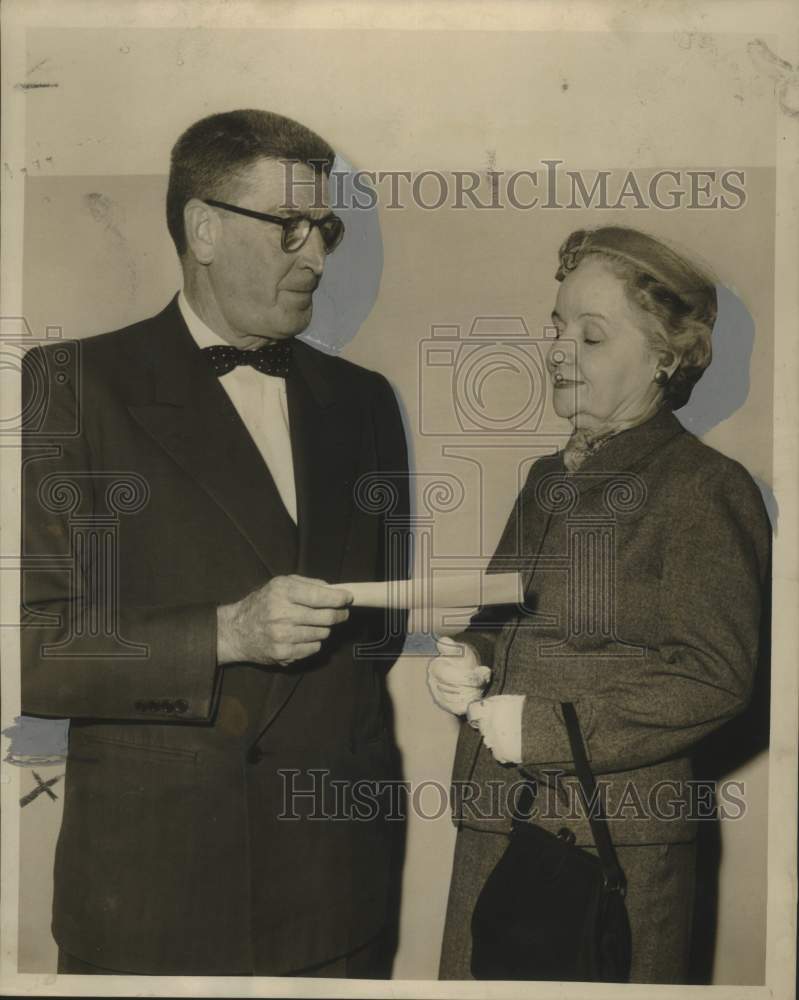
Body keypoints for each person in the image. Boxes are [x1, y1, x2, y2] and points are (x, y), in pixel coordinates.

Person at [20, 109, 409, 977]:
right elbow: (34, 652)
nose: (316, 256)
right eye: (290, 229)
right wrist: (226, 634)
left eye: (325, 229)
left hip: (334, 889)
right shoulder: (73, 386)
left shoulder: (365, 402)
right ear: (202, 228)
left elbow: (371, 642)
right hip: (154, 896)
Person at [428, 226, 771, 983]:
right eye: (556, 326)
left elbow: (716, 674)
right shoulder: (546, 477)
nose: (557, 350)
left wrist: (546, 727)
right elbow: (501, 613)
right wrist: (470, 658)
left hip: (610, 847)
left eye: (590, 335)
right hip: (496, 826)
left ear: (665, 358)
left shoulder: (705, 488)